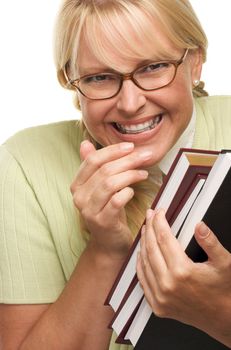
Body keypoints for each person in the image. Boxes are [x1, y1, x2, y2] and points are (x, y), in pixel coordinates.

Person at [0, 0, 230, 349]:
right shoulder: (25, 164)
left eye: (153, 67)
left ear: (195, 61)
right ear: (71, 82)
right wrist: (104, 248)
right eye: (99, 77)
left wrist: (218, 312)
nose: (130, 103)